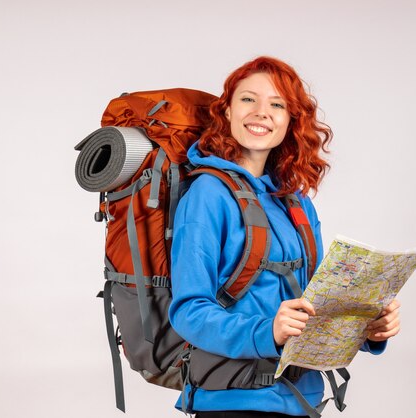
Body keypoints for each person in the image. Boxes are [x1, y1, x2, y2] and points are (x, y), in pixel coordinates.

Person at [168, 56, 401, 418]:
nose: (262, 112)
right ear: (226, 111)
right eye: (248, 99)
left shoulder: (295, 200)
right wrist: (268, 331)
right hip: (233, 402)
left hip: (301, 399)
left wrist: (368, 328)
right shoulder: (207, 195)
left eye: (277, 105)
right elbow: (188, 311)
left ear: (291, 120)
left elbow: (315, 302)